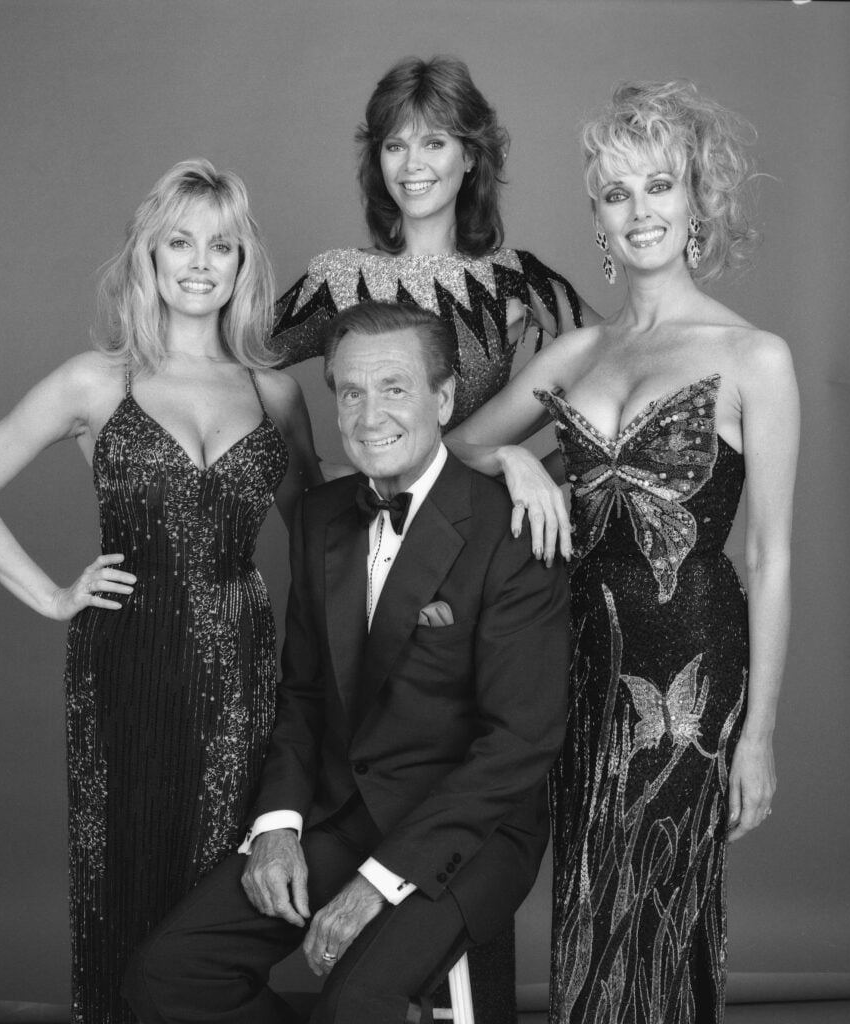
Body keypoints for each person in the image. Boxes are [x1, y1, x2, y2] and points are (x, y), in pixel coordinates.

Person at [0, 159, 321, 1024]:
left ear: (241, 264)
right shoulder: (94, 380)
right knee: (121, 869)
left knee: (216, 876)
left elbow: (325, 541)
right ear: (147, 255)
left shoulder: (275, 392)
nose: (199, 262)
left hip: (241, 669)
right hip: (124, 663)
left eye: (220, 245)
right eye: (179, 241)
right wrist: (51, 595)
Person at [446, 81, 799, 1023]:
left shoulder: (755, 356)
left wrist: (758, 735)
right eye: (616, 192)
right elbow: (458, 453)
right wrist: (520, 464)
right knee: (590, 889)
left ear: (695, 202)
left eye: (659, 186)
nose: (639, 210)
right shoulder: (578, 352)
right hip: (576, 657)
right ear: (597, 213)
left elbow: (768, 558)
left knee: (663, 891)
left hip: (690, 658)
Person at [120, 301, 570, 1024]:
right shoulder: (322, 519)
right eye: (350, 392)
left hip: (467, 829)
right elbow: (302, 697)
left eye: (394, 388)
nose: (368, 414)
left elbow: (518, 745)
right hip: (342, 809)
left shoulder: (511, 530)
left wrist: (380, 881)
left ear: (444, 398)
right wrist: (275, 825)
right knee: (171, 973)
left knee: (357, 1004)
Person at [269, 55, 594, 1015]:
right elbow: (241, 375)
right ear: (377, 161)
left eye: (436, 141)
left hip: (475, 576)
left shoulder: (522, 282)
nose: (413, 162)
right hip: (363, 574)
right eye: (395, 143)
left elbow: (618, 387)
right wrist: (310, 476)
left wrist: (527, 462)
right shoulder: (336, 277)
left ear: (472, 158)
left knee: (465, 828)